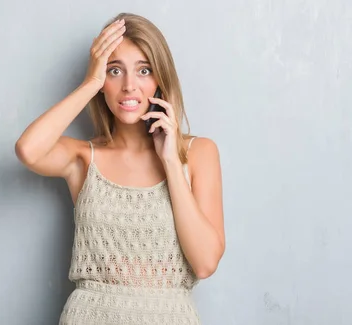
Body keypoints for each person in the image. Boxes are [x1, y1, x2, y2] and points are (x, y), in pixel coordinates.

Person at [14, 12, 225, 325]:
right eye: (115, 71)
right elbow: (27, 150)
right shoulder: (84, 157)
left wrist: (169, 160)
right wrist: (91, 83)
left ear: (160, 79)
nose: (129, 86)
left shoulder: (198, 153)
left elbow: (205, 263)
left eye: (144, 70)